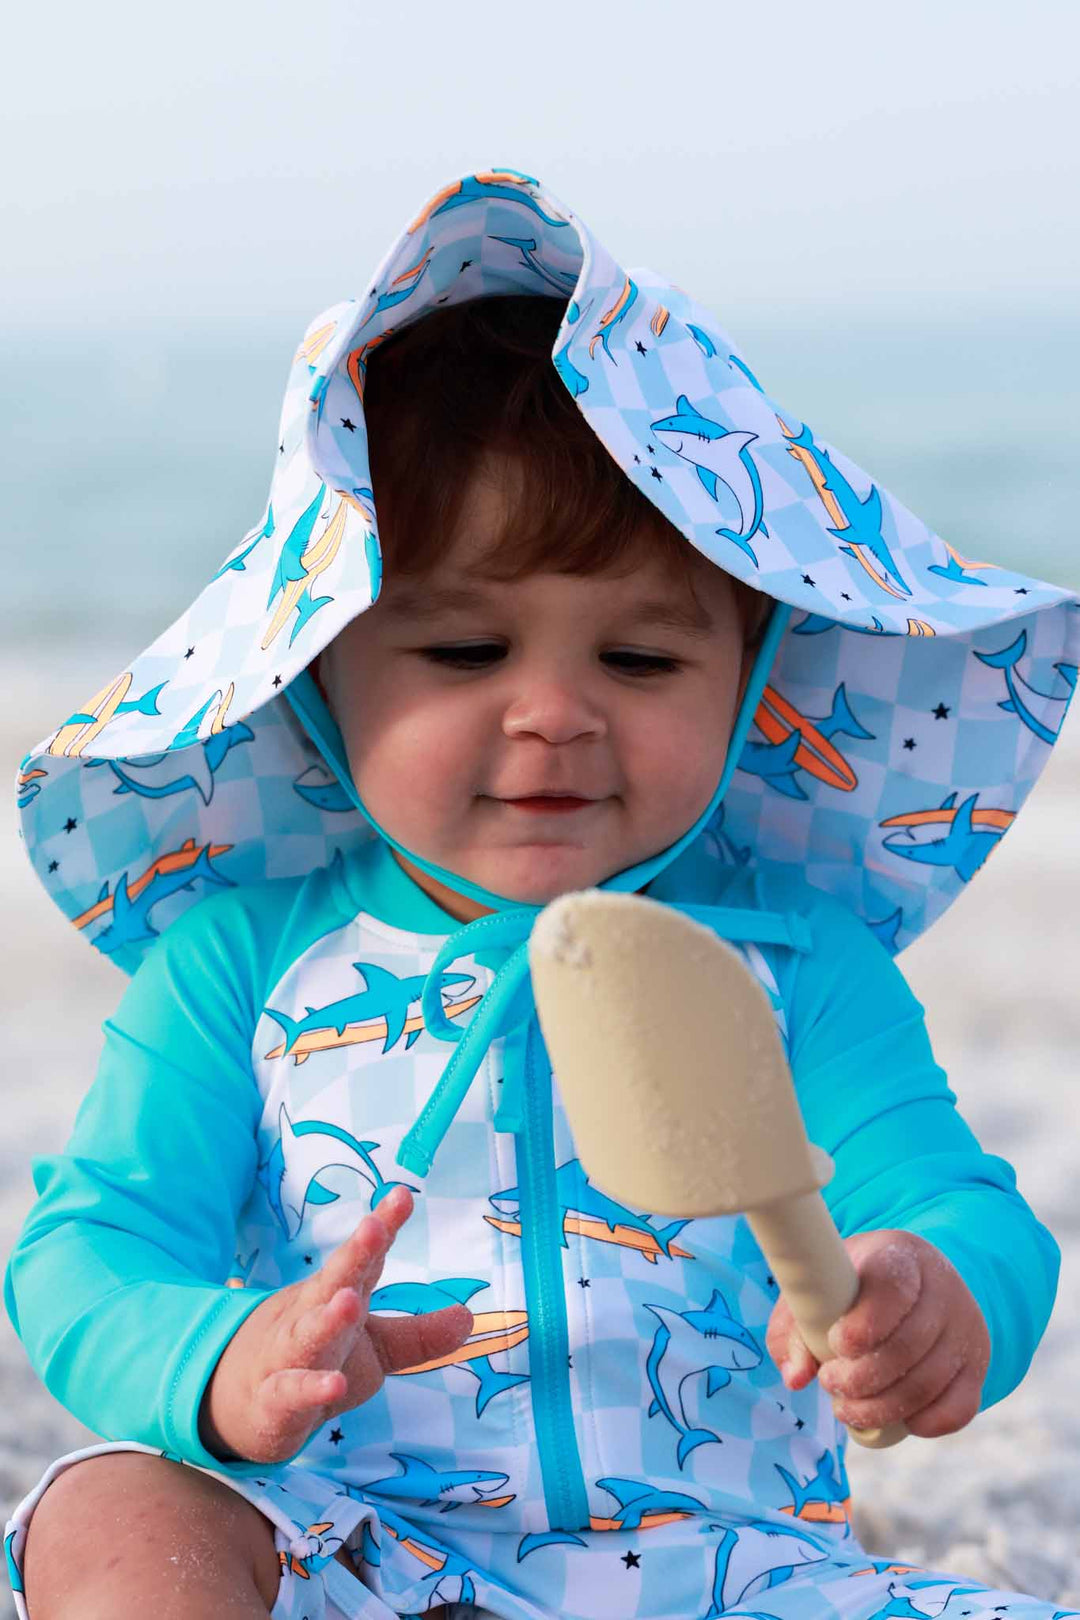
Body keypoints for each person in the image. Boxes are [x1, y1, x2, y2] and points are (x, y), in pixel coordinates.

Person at [5, 168, 1079, 1620]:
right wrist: (220, 1358)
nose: (556, 715)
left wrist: (937, 1295)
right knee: (112, 1511)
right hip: (353, 1540)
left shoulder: (790, 963)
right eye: (463, 655)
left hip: (727, 1569)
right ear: (320, 677)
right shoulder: (244, 963)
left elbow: (960, 1205)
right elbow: (91, 1244)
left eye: (640, 663)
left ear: (749, 679)